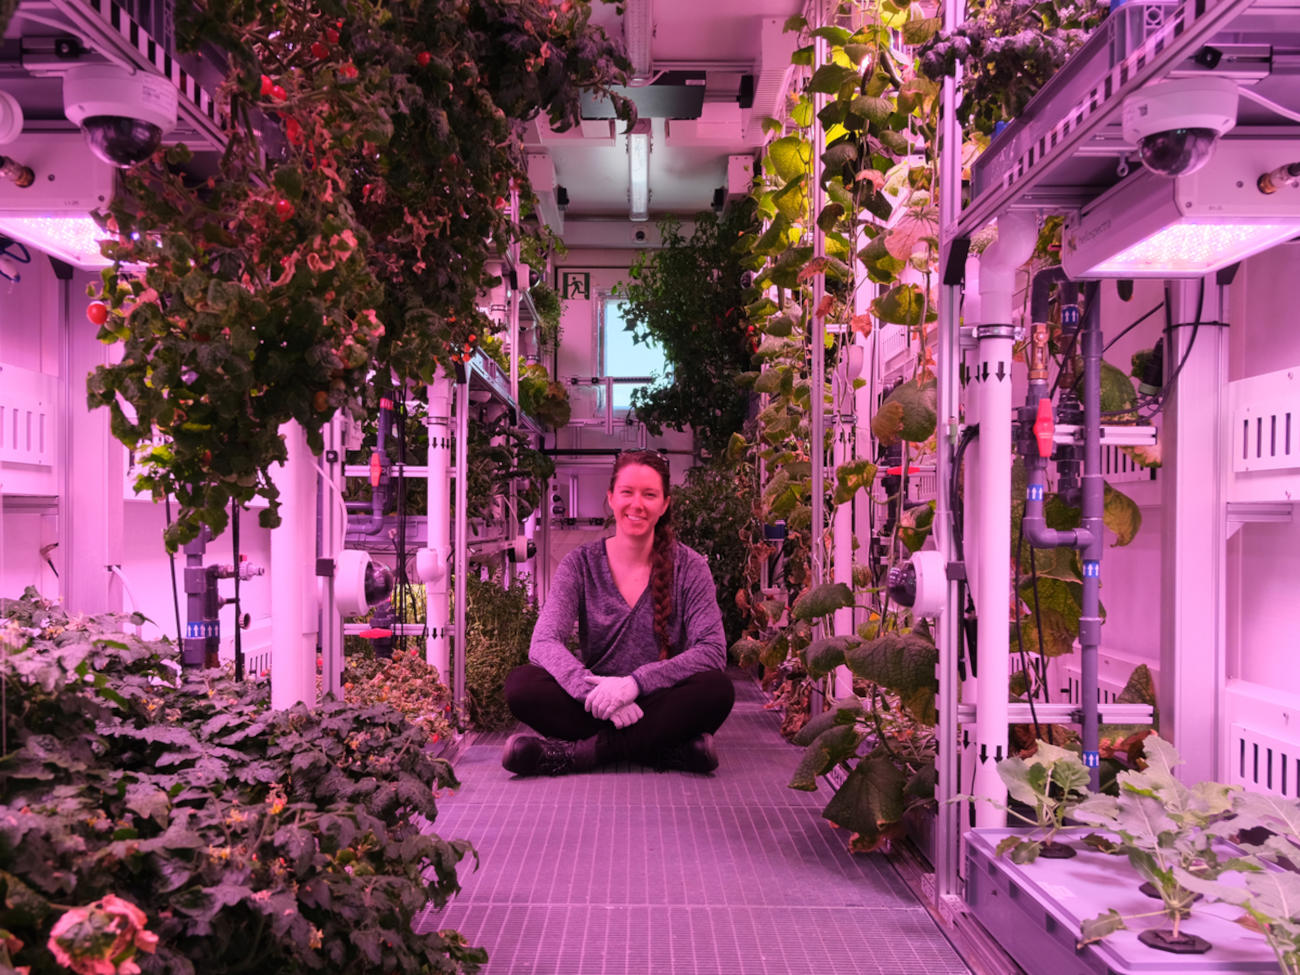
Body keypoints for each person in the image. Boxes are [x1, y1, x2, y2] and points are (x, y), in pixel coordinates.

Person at [502, 449, 735, 776]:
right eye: (627, 492)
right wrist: (596, 692)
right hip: (596, 704)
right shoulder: (580, 564)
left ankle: (582, 753)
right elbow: (543, 642)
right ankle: (668, 751)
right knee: (522, 685)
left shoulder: (691, 567)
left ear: (665, 504)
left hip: (661, 700)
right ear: (611, 498)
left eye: (649, 494)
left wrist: (635, 685)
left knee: (716, 690)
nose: (637, 504)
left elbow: (712, 651)